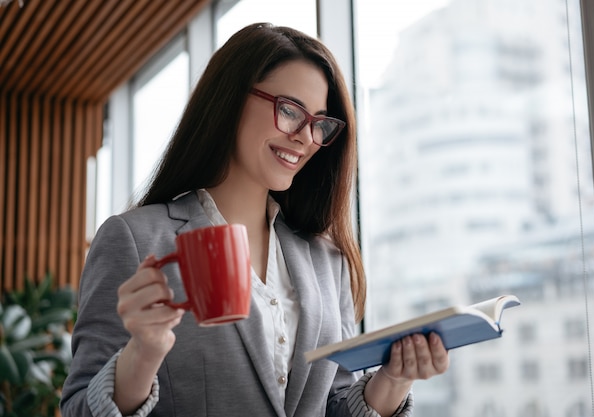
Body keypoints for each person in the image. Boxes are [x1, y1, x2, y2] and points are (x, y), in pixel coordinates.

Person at [60, 22, 449, 417]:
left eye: (319, 123)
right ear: (231, 100)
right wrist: (143, 353)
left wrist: (394, 380)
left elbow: (333, 404)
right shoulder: (134, 240)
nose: (306, 137)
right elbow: (78, 408)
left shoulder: (327, 261)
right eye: (289, 110)